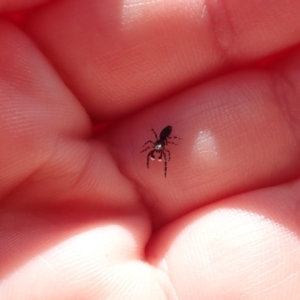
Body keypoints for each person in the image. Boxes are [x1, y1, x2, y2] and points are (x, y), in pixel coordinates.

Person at [1, 0, 300, 299]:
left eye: (157, 151)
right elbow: (156, 145)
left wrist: (162, 150)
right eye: (157, 151)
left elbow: (163, 144)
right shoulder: (158, 144)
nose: (157, 151)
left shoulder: (163, 143)